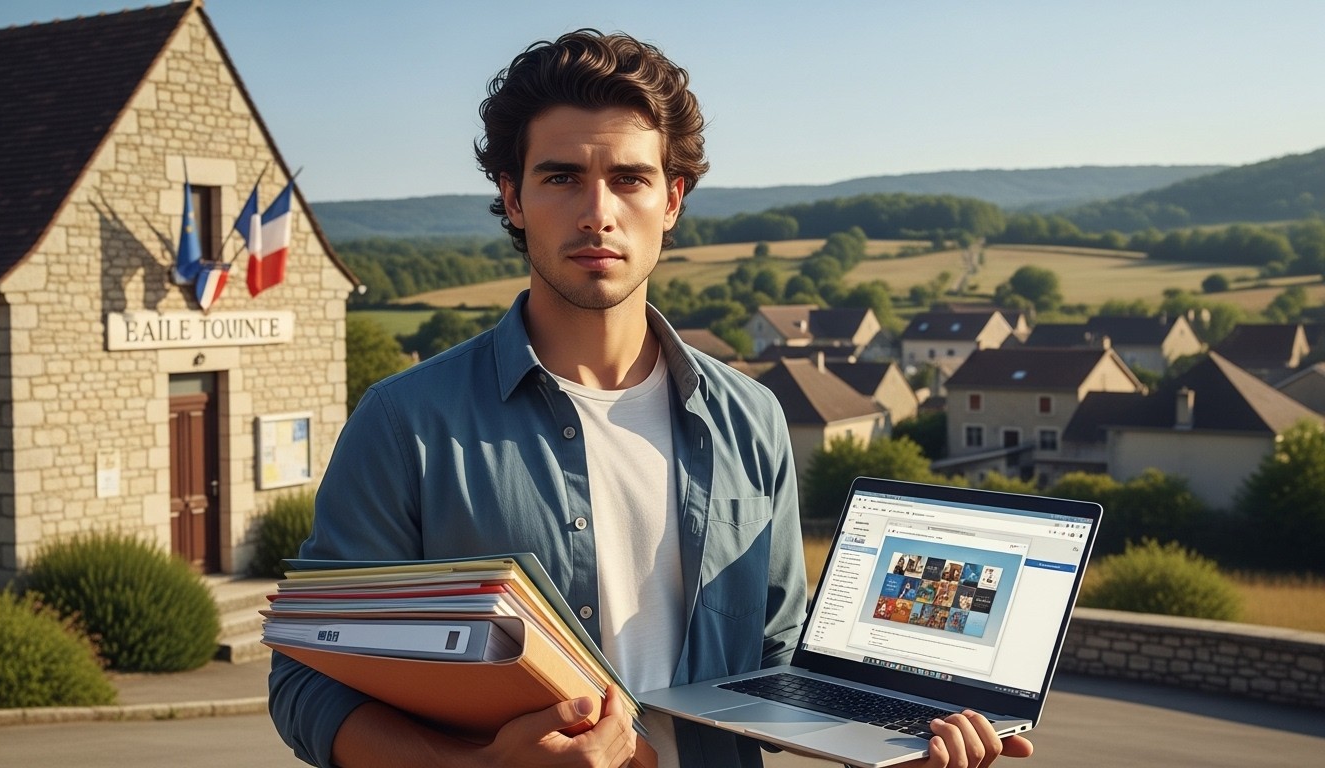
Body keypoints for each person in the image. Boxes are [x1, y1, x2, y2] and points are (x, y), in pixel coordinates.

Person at [268, 28, 1034, 768]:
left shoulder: (751, 419)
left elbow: (771, 658)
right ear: (511, 197)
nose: (596, 212)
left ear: (671, 200)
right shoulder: (408, 425)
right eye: (561, 176)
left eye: (628, 179)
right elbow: (309, 679)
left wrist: (890, 743)